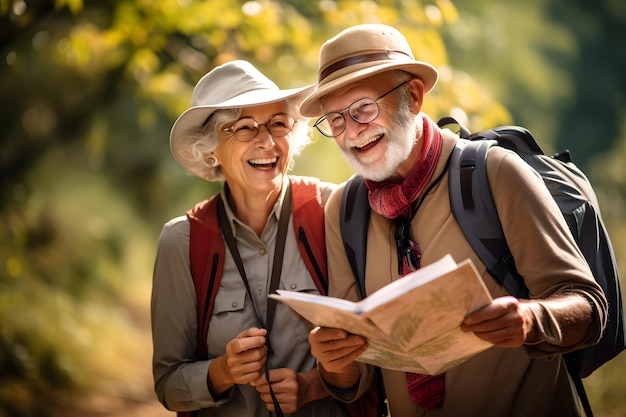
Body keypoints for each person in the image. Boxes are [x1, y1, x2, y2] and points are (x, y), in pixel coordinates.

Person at [300, 24, 608, 417]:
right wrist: (334, 360)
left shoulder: (495, 173)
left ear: (412, 97)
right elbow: (356, 381)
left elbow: (590, 310)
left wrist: (531, 319)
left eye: (362, 109)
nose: (351, 133)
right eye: (336, 120)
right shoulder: (344, 209)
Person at [151, 60, 348, 417]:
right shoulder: (181, 241)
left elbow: (376, 350)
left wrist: (314, 386)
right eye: (244, 128)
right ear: (211, 148)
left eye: (277, 124)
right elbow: (168, 385)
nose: (267, 141)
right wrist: (222, 371)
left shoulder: (332, 210)